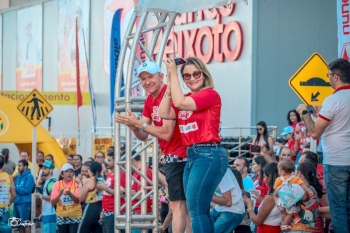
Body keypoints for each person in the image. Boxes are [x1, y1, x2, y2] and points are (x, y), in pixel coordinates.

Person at [115, 60, 189, 233]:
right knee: (184, 207)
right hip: (174, 156)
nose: (146, 81)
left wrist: (139, 125)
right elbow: (143, 135)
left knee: (178, 206)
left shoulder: (168, 94)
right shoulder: (149, 99)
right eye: (142, 78)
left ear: (161, 76)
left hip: (181, 155)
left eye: (150, 77)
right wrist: (133, 126)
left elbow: (165, 133)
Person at [159, 57, 228, 233]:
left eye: (195, 73)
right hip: (193, 155)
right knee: (199, 210)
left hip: (207, 153)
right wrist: (169, 81)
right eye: (186, 76)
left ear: (204, 74)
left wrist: (174, 72)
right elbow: (163, 113)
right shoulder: (187, 97)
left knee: (196, 211)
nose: (191, 78)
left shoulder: (210, 94)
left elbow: (180, 103)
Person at [297, 58, 350, 233]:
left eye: (328, 75)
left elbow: (314, 132)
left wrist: (304, 112)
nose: (327, 79)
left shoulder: (333, 100)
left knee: (339, 210)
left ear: (335, 76)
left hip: (337, 162)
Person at [273, 159, 314, 231]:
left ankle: (284, 224)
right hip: (291, 201)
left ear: (282, 172)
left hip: (281, 200)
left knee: (283, 213)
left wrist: (277, 203)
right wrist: (309, 190)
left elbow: (275, 190)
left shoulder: (279, 179)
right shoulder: (295, 178)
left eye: (278, 170)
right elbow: (302, 184)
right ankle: (285, 225)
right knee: (289, 214)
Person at [243, 162, 281, 233]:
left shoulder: (271, 197)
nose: (264, 179)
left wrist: (249, 206)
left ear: (269, 176)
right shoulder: (279, 193)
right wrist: (262, 200)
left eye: (265, 176)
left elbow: (257, 222)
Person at [286, 162, 322, 232]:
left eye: (295, 173)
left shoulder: (300, 190)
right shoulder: (313, 190)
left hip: (297, 229)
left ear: (299, 173)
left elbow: (283, 206)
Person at [97, 151, 125, 233]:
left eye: (109, 160)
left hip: (115, 212)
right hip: (107, 211)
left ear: (116, 161)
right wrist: (103, 210)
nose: (106, 162)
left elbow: (122, 195)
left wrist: (105, 188)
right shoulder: (110, 174)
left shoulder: (120, 175)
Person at [210, 168, 245, 233]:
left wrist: (207, 195)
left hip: (233, 210)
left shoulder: (222, 172)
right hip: (219, 208)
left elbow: (228, 202)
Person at [51, 163, 82, 233]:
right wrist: (59, 195)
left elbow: (78, 201)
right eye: (66, 172)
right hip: (61, 216)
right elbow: (53, 202)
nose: (69, 173)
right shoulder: (57, 184)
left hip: (75, 216)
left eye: (71, 172)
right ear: (62, 174)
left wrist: (70, 194)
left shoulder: (76, 184)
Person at [77, 162, 103, 233]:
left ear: (90, 170)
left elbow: (81, 198)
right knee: (96, 230)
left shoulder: (89, 181)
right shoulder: (102, 180)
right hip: (100, 207)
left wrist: (79, 184)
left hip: (91, 207)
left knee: (82, 230)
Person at [34, 160, 57, 233]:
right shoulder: (47, 181)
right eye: (42, 168)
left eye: (45, 168)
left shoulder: (52, 182)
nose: (43, 170)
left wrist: (40, 195)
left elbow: (52, 198)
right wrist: (42, 213)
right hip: (47, 214)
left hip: (51, 214)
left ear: (51, 170)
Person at [14, 159, 35, 233]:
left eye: (20, 166)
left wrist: (16, 188)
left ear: (25, 166)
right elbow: (14, 186)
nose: (18, 167)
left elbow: (27, 190)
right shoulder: (18, 176)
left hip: (24, 203)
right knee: (19, 224)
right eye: (18, 166)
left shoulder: (29, 176)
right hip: (16, 203)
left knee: (26, 224)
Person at [0, 155, 15, 233]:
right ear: (3, 165)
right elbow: (13, 195)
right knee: (5, 228)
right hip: (5, 207)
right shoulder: (9, 176)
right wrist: (8, 203)